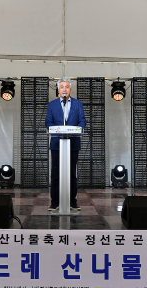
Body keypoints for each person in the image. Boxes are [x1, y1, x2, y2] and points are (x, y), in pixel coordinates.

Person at [45, 77, 86, 211]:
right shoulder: (52, 105)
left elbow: (82, 121)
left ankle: (72, 202)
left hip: (73, 143)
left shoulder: (78, 104)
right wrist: (57, 130)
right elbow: (48, 122)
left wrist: (77, 129)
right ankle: (54, 202)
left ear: (70, 89)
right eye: (62, 86)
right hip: (57, 144)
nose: (64, 89)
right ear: (58, 89)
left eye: (67, 86)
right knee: (56, 173)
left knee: (72, 174)